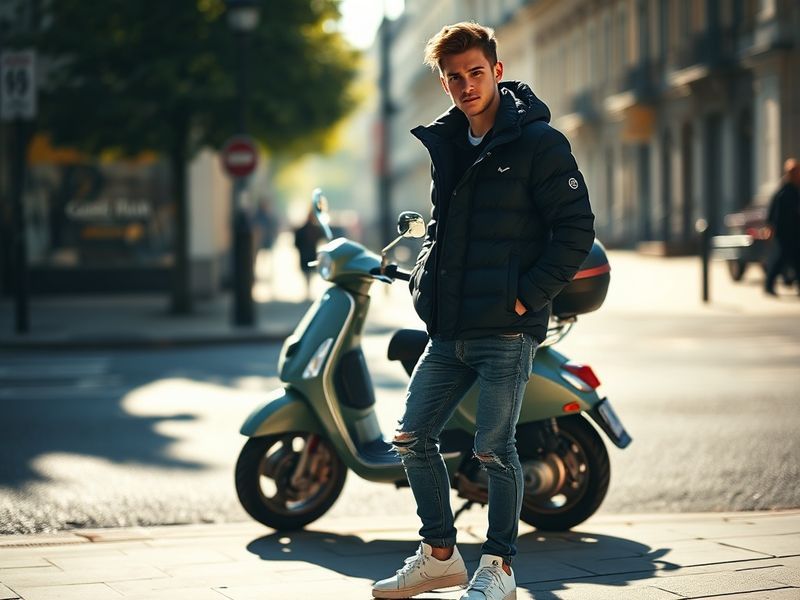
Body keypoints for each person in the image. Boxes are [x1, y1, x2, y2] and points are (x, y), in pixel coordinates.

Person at [372, 22, 595, 600]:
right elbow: (442, 229)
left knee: (494, 449)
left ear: (496, 71)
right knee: (410, 437)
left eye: (476, 72)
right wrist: (426, 280)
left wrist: (527, 295)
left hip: (506, 329)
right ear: (443, 83)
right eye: (454, 77)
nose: (467, 85)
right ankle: (440, 554)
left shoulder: (539, 143)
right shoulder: (447, 142)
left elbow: (575, 228)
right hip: (448, 330)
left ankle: (498, 567)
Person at [764, 158, 800, 296]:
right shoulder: (784, 191)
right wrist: (770, 228)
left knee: (797, 260)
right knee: (780, 259)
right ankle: (768, 285)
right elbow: (774, 212)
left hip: (795, 232)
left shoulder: (796, 189)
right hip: (784, 233)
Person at [293, 209, 323, 300]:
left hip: (307, 254)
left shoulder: (307, 229)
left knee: (308, 272)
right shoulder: (313, 229)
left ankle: (308, 289)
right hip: (308, 253)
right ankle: (307, 289)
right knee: (307, 272)